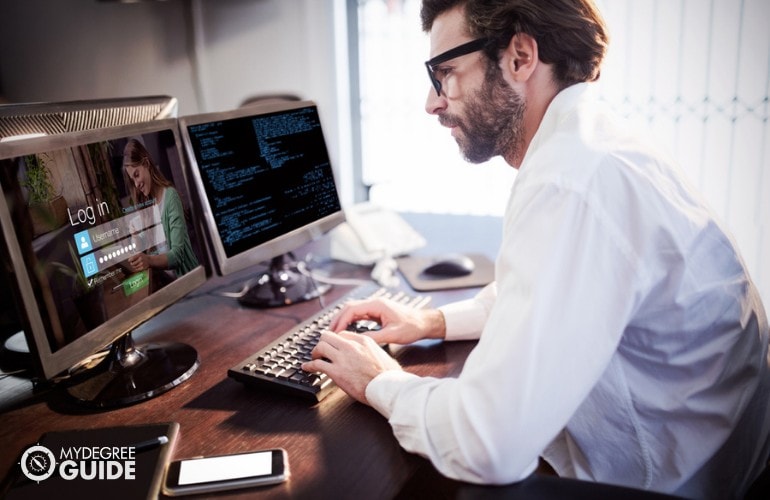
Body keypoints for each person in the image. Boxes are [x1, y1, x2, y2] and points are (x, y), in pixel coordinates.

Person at [301, 0, 770, 498]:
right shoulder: (595, 143)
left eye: (446, 73)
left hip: (678, 483)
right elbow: (563, 289)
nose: (432, 102)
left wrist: (380, 382)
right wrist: (433, 322)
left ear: (520, 57)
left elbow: (487, 445)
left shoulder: (571, 180)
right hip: (726, 454)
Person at [122, 139, 199, 278]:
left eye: (137, 175)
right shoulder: (148, 206)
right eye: (132, 180)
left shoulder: (170, 197)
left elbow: (177, 256)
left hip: (188, 281)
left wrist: (149, 260)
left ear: (146, 164)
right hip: (168, 284)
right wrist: (135, 236)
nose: (136, 184)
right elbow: (145, 250)